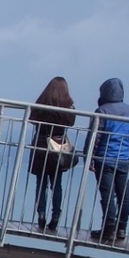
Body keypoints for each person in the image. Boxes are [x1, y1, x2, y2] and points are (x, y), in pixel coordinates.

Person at [84, 77, 129, 242]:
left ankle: (108, 229)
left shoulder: (102, 111)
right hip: (123, 160)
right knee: (123, 195)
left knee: (107, 195)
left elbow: (95, 136)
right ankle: (121, 228)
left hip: (104, 159)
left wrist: (89, 157)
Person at [28, 76, 76, 231]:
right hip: (57, 148)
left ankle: (41, 214)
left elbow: (32, 120)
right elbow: (71, 122)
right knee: (57, 185)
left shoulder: (41, 104)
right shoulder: (67, 107)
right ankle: (55, 216)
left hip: (41, 145)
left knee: (40, 184)